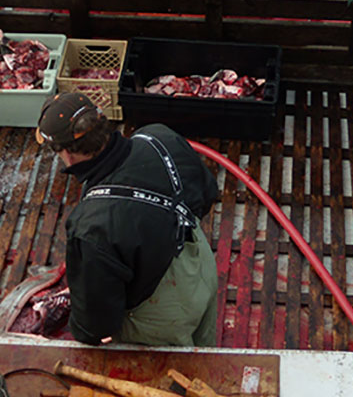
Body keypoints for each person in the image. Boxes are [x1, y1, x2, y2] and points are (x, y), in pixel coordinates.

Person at [35, 92, 219, 347]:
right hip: (202, 265)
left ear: (66, 153)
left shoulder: (90, 225)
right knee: (206, 352)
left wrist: (76, 328)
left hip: (166, 311)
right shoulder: (158, 136)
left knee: (175, 373)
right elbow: (208, 193)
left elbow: (96, 324)